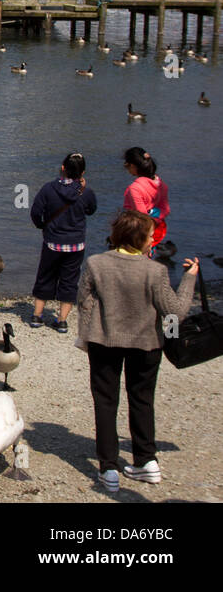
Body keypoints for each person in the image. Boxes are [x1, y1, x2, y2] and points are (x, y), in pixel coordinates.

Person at [76, 211, 199, 493]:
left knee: (105, 402)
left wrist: (85, 337)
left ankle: (108, 468)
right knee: (142, 400)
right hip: (146, 343)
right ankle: (146, 460)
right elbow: (176, 312)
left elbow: (85, 303)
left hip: (104, 340)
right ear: (140, 238)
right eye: (151, 234)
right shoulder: (155, 271)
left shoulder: (95, 264)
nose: (154, 238)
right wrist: (190, 278)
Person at [28, 152, 98, 333]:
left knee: (45, 276)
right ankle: (62, 320)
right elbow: (91, 210)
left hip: (52, 241)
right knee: (70, 280)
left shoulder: (48, 189)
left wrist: (41, 225)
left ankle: (37, 315)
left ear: (62, 168)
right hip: (76, 243)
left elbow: (36, 212)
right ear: (82, 173)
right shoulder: (86, 193)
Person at [122, 147, 169, 252]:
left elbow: (141, 215)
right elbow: (165, 209)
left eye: (127, 166)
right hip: (154, 233)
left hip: (137, 234)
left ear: (133, 166)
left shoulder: (135, 188)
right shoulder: (161, 184)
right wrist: (155, 218)